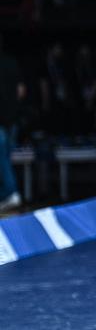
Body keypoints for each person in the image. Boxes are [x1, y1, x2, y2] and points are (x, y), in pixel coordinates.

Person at [0, 35, 26, 211]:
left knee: (2, 160)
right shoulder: (12, 63)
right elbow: (21, 91)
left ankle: (10, 192)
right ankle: (6, 195)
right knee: (4, 159)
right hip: (11, 119)